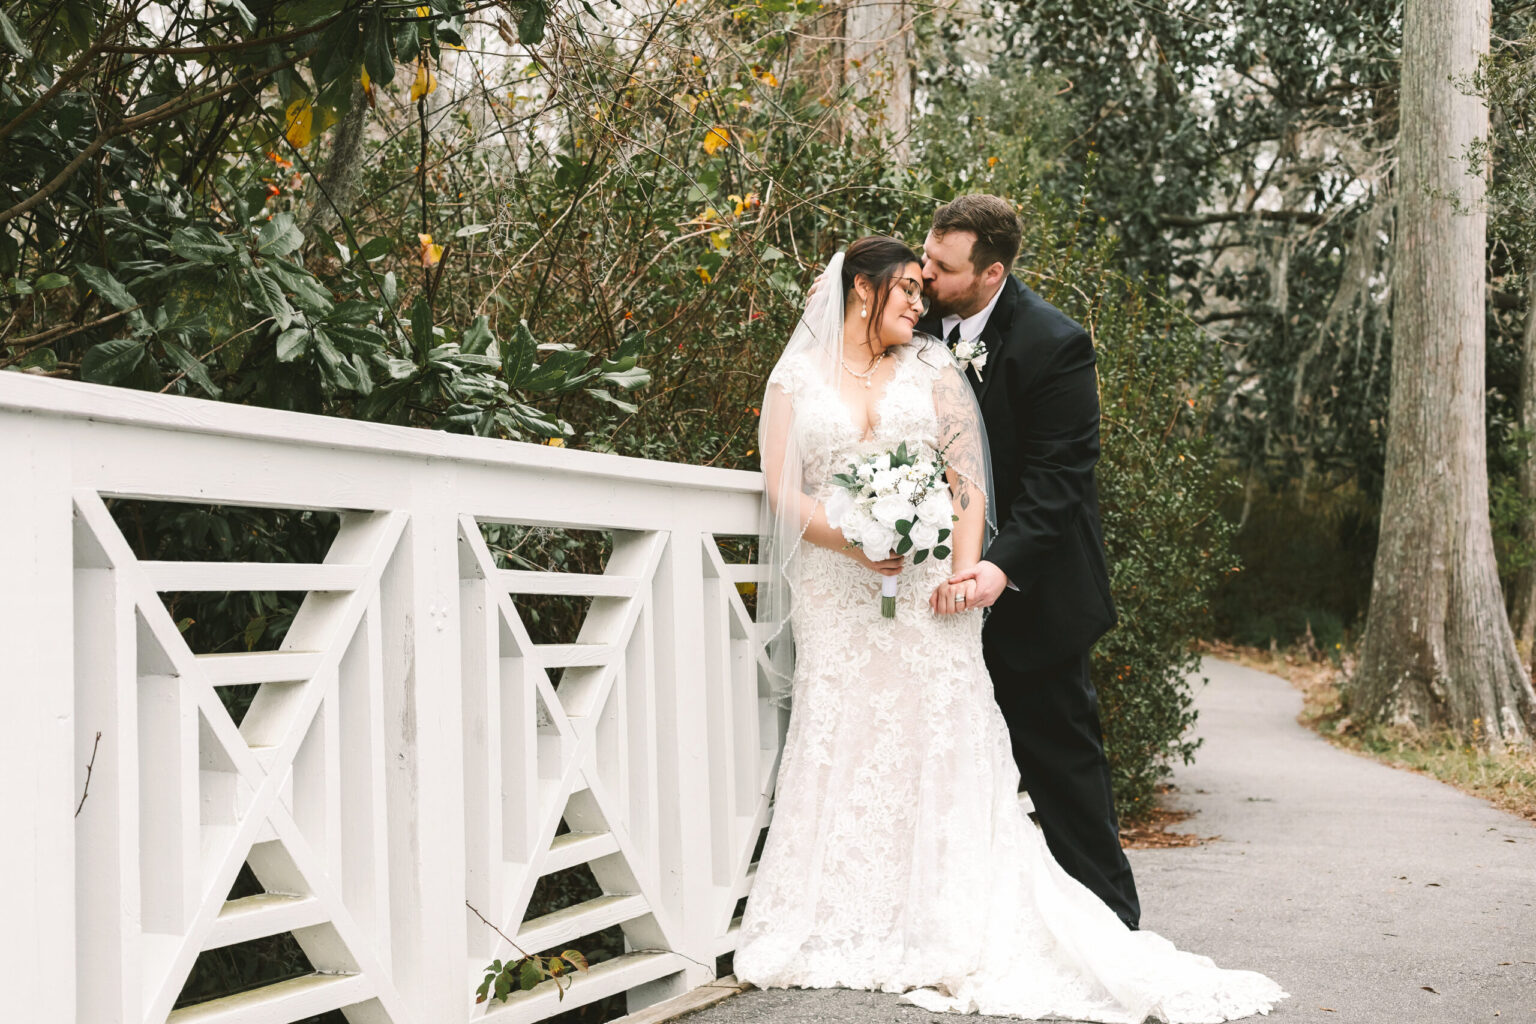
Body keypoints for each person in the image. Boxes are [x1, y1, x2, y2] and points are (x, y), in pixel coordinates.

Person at [732, 234, 1286, 1021]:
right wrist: (849, 538)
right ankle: (831, 918)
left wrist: (965, 573)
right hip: (834, 592)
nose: (920, 305)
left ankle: (950, 917)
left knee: (941, 740)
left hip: (928, 595)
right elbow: (781, 488)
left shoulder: (933, 370)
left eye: (928, 289)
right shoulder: (793, 379)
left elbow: (967, 485)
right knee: (843, 736)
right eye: (907, 292)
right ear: (862, 291)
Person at [922, 194, 1140, 930]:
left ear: (991, 275)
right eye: (925, 255)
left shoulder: (1055, 342)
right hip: (928, 592)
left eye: (941, 266)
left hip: (1034, 592)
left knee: (1061, 764)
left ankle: (1112, 926)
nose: (923, 273)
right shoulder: (905, 323)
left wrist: (999, 566)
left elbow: (1059, 480)